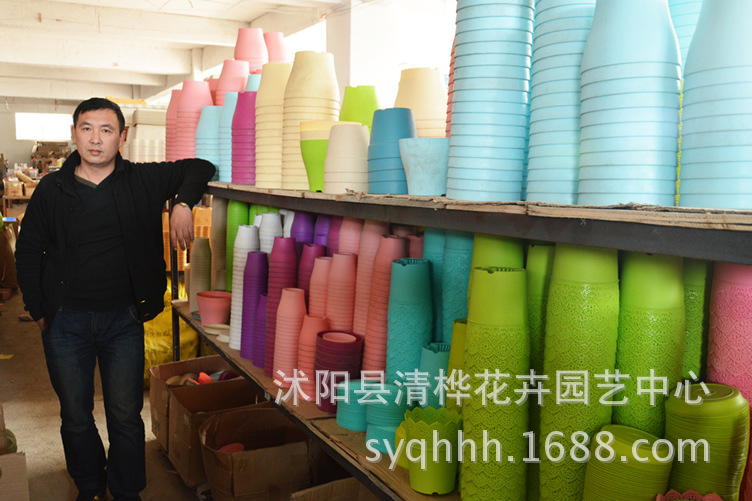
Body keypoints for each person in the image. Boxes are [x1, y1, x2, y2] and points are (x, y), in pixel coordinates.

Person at [15, 97, 215, 501]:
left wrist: (182, 203)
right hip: (65, 321)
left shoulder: (141, 180)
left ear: (122, 137)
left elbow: (200, 167)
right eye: (87, 128)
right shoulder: (52, 189)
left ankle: (126, 490)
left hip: (123, 320)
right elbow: (28, 249)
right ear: (74, 134)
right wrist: (37, 309)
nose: (95, 139)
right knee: (75, 413)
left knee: (125, 414)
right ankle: (89, 485)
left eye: (106, 130)